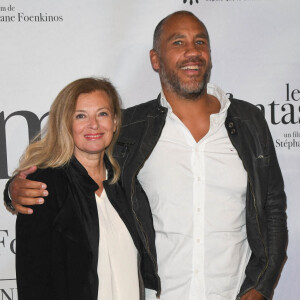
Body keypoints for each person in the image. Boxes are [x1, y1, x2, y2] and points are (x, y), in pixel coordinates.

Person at [4, 11, 287, 300]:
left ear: (210, 55)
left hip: (234, 292)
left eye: (200, 42)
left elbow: (273, 208)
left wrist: (260, 286)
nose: (192, 51)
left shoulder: (249, 121)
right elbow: (69, 162)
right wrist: (13, 189)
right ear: (155, 59)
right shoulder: (132, 127)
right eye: (178, 42)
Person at [10, 78, 160, 300]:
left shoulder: (126, 185)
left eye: (102, 114)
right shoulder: (45, 186)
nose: (94, 125)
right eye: (81, 115)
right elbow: (33, 279)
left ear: (116, 121)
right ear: (65, 124)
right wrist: (11, 190)